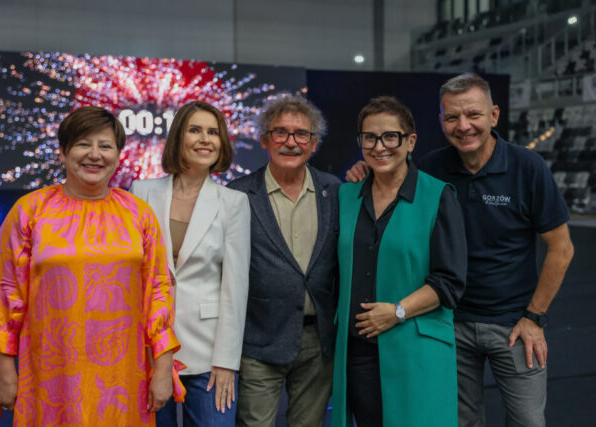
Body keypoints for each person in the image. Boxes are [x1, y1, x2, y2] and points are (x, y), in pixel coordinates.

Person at [346, 73, 575, 426]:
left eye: (473, 114)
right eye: (452, 117)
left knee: (528, 421)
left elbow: (561, 249)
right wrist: (365, 169)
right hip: (448, 323)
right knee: (458, 422)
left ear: (494, 115)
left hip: (513, 324)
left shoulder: (527, 167)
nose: (463, 126)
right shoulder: (431, 168)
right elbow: (389, 173)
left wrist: (534, 318)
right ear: (441, 122)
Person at [0, 106, 185, 426]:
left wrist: (164, 368)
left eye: (105, 146)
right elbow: (5, 292)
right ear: (63, 152)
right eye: (83, 144)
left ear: (118, 155)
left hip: (124, 374)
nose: (94, 154)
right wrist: (4, 369)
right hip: (49, 372)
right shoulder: (30, 210)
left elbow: (158, 292)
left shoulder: (138, 213)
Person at [333, 96, 466, 427]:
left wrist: (397, 311)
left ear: (410, 141)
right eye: (370, 137)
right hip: (359, 352)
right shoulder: (347, 195)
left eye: (390, 137)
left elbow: (449, 282)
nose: (380, 147)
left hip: (415, 347)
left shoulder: (438, 196)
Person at [130, 101, 250, 426]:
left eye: (213, 132)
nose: (205, 139)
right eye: (195, 130)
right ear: (178, 137)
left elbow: (235, 288)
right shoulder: (141, 192)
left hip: (209, 354)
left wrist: (227, 362)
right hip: (149, 349)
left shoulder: (234, 203)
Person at [228, 95, 340, 427]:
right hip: (259, 339)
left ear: (314, 144)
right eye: (280, 132)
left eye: (301, 134)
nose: (291, 142)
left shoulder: (335, 191)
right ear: (264, 140)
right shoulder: (237, 194)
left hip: (318, 343)